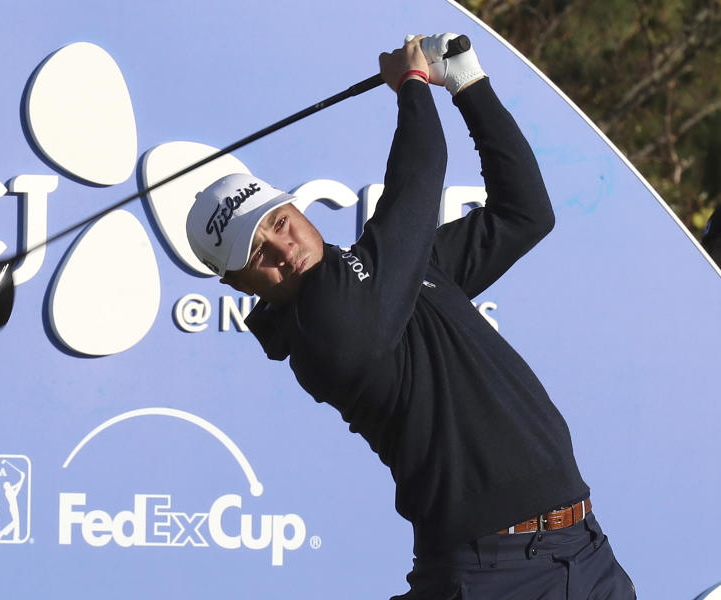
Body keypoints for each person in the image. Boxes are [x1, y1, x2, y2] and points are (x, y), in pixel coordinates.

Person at [185, 33, 635, 599]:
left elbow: (525, 213)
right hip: (491, 573)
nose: (282, 248)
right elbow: (419, 177)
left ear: (294, 207)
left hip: (585, 551)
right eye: (255, 255)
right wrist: (413, 87)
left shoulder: (388, 271)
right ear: (236, 284)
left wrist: (469, 84)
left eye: (276, 222)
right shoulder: (322, 328)